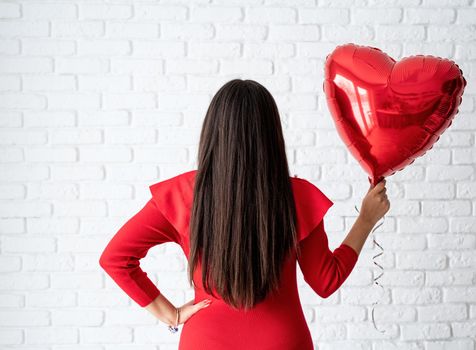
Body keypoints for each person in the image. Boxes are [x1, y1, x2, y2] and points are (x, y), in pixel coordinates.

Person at [99, 79, 390, 349]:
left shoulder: (183, 194)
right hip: (282, 341)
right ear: (271, 134)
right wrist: (365, 220)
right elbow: (326, 281)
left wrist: (171, 315)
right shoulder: (296, 195)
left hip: (205, 341)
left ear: (213, 132)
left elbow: (116, 258)